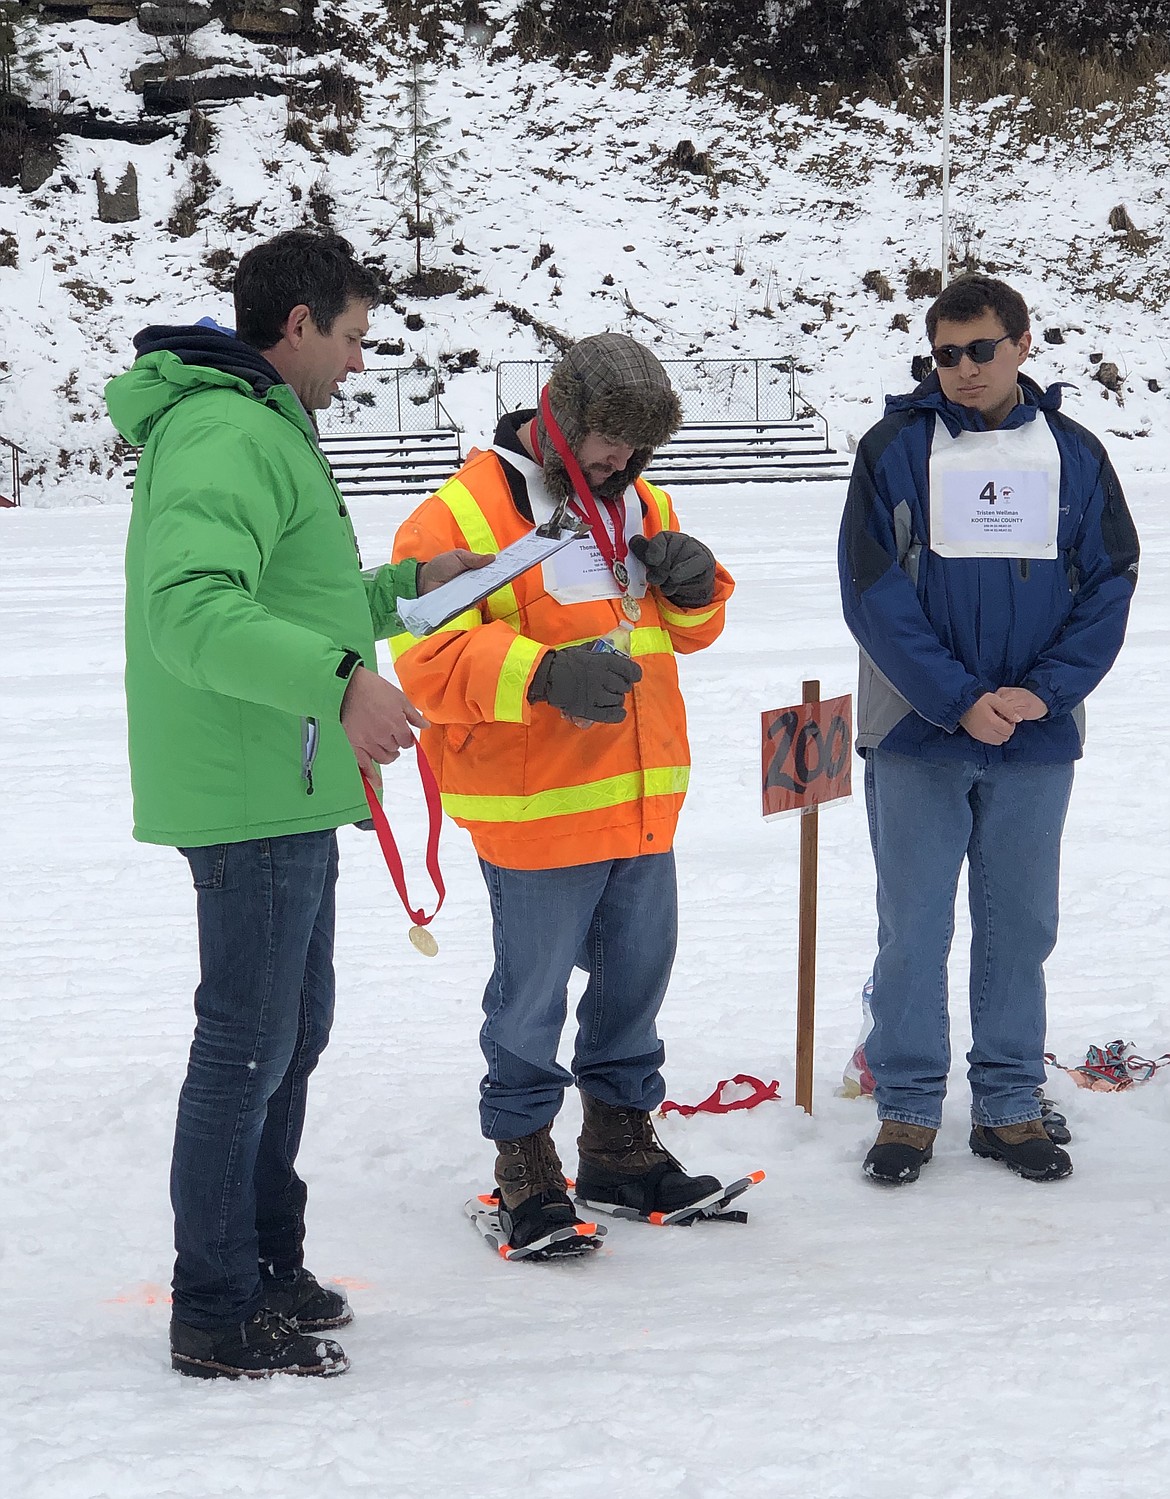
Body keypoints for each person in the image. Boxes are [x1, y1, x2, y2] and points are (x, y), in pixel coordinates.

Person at [105, 229, 487, 1378]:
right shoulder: (227, 427)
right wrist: (341, 681)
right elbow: (190, 610)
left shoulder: (264, 422)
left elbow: (293, 596)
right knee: (248, 1044)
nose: (360, 364)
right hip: (249, 783)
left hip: (289, 774)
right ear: (302, 322)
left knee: (291, 1035)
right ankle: (216, 1307)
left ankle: (267, 1261)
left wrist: (400, 592)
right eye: (357, 337)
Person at [390, 333, 735, 1256]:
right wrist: (542, 676)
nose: (621, 461)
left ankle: (618, 1143)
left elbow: (684, 633)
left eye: (637, 448)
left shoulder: (641, 498)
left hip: (641, 801)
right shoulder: (460, 512)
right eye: (608, 441)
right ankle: (525, 1160)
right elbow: (423, 657)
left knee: (634, 987)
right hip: (534, 808)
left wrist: (700, 588)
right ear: (560, 415)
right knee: (530, 1001)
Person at [839, 273, 1138, 1187]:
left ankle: (1008, 1104)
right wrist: (959, 696)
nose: (964, 369)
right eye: (947, 354)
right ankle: (907, 1108)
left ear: (1022, 345)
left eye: (981, 349)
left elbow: (1111, 581)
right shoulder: (892, 448)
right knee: (913, 929)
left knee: (1020, 927)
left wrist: (1041, 694)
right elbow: (873, 592)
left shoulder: (1077, 455)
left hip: (1036, 738)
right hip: (920, 731)